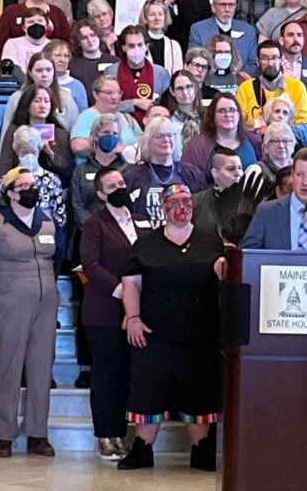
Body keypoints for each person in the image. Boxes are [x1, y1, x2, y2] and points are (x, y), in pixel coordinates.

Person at [117, 183, 225, 472]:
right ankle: (142, 449)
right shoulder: (146, 244)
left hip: (200, 334)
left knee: (199, 392)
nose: (182, 208)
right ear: (163, 208)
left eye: (186, 202)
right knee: (147, 391)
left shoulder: (211, 242)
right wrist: (133, 318)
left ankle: (201, 449)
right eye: (174, 203)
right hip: (153, 334)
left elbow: (226, 277)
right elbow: (131, 283)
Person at [0, 168, 59, 459]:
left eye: (34, 185)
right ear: (11, 193)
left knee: (42, 368)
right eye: (24, 186)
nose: (32, 190)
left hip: (46, 301)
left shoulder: (48, 219)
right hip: (9, 299)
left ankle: (38, 433)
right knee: (8, 365)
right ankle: (4, 434)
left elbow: (59, 258)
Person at [81, 168, 148, 460]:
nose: (119, 188)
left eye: (121, 183)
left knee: (129, 375)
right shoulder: (94, 225)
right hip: (105, 311)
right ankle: (106, 435)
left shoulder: (142, 221)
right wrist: (122, 290)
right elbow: (91, 265)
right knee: (108, 375)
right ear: (101, 194)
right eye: (111, 186)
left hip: (140, 311)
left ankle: (125, 432)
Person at [123, 117, 206, 228]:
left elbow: (202, 211)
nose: (166, 139)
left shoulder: (192, 174)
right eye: (159, 135)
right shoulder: (131, 176)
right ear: (147, 141)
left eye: (170, 135)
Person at [235, 40, 307, 145]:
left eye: (274, 58)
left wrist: (273, 130)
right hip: (255, 145)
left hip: (287, 146)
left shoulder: (297, 87)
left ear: (281, 60)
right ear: (258, 62)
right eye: (265, 58)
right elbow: (237, 125)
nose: (270, 63)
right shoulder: (246, 88)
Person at [0, 83, 74, 186]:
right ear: (27, 105)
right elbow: (5, 166)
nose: (43, 105)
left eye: (46, 101)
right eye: (37, 101)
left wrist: (50, 153)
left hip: (52, 187)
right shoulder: (14, 130)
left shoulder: (60, 134)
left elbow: (68, 170)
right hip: (19, 186)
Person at [0, 0, 71, 65]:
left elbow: (66, 42)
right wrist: (3, 67)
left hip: (51, 66)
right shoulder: (11, 12)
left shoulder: (57, 13)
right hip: (17, 65)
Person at [182, 92, 263, 179]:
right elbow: (185, 177)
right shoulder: (196, 146)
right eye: (222, 111)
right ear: (212, 116)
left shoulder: (254, 141)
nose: (227, 115)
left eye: (232, 110)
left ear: (239, 114)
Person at [104, 26, 171, 128]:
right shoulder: (112, 71)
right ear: (123, 47)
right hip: (120, 127)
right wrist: (134, 103)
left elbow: (167, 106)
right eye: (131, 46)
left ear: (146, 46)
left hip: (154, 129)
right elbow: (106, 105)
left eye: (140, 45)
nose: (136, 49)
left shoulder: (161, 73)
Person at [70, 114, 129, 230]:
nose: (111, 136)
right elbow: (77, 206)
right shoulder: (81, 171)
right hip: (90, 231)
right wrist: (98, 228)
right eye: (106, 132)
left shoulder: (127, 168)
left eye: (115, 133)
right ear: (95, 136)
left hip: (122, 230)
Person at [188, 0, 258, 77]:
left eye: (231, 5)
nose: (227, 9)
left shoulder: (248, 30)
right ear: (213, 7)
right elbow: (194, 61)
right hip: (208, 81)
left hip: (240, 82)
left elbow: (253, 62)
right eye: (222, 5)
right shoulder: (198, 29)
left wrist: (240, 79)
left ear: (236, 7)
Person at [70, 77, 143, 160]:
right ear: (95, 94)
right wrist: (111, 149)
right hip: (99, 166)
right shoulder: (86, 117)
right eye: (108, 93)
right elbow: (78, 146)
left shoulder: (126, 118)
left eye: (118, 93)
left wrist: (130, 149)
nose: (114, 97)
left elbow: (142, 141)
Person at [191, 148, 244, 236]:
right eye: (231, 169)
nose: (238, 173)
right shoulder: (195, 203)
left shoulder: (253, 202)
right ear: (215, 173)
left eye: (240, 168)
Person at [69, 19, 120, 100]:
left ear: (98, 36)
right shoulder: (72, 65)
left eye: (92, 35)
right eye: (84, 38)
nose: (90, 40)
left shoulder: (115, 62)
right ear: (78, 42)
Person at [139, 0, 183, 75]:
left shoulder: (174, 45)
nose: (157, 18)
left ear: (165, 17)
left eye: (160, 14)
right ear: (145, 18)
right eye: (152, 14)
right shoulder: (139, 44)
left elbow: (178, 74)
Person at [47, 37, 90, 113]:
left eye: (66, 56)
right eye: (58, 55)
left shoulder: (77, 86)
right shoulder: (40, 82)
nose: (62, 60)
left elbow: (83, 114)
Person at [166, 70, 204, 150]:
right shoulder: (167, 120)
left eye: (189, 87)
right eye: (179, 89)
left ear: (195, 88)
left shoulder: (207, 117)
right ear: (172, 91)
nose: (185, 93)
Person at [252, 122, 295, 186]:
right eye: (275, 141)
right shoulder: (257, 170)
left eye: (286, 141)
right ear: (266, 147)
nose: (281, 146)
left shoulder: (299, 168)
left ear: (293, 146)